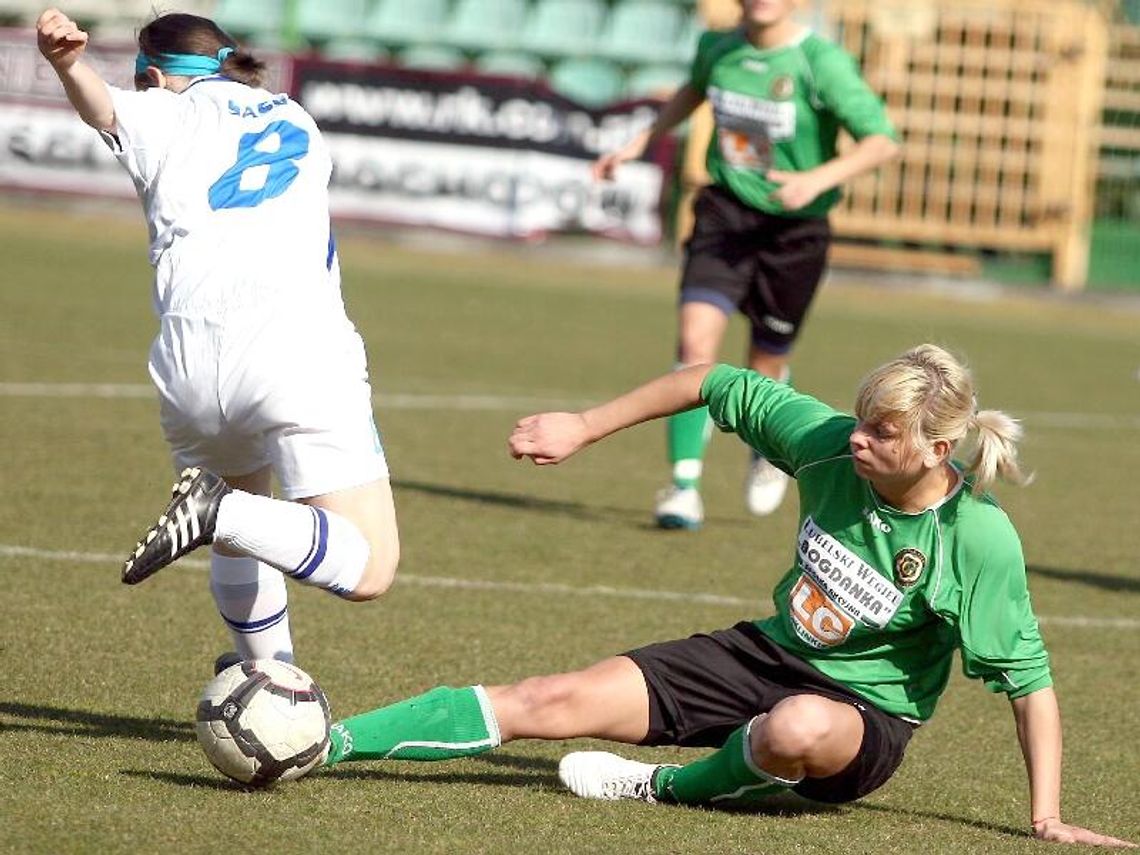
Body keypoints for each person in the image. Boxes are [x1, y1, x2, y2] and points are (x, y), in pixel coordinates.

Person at [315, 345, 1134, 848]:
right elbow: (714, 379)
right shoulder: (825, 449)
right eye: (860, 419)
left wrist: (1045, 816)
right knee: (548, 697)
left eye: (881, 432)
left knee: (796, 725)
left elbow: (1029, 683)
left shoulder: (978, 539)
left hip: (862, 720)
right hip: (765, 653)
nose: (856, 436)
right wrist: (584, 425)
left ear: (938, 446)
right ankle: (327, 741)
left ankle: (665, 784)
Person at [36, 9, 400, 670]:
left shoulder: (158, 116)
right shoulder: (295, 116)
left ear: (149, 75)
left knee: (242, 529)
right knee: (368, 563)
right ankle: (218, 509)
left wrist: (67, 65)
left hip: (187, 365)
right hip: (297, 350)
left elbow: (103, 110)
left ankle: (269, 677)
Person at [593, 0, 900, 530]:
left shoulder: (819, 62)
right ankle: (682, 486)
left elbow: (880, 141)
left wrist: (817, 180)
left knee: (766, 361)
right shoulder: (718, 46)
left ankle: (765, 448)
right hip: (725, 216)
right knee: (694, 347)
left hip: (794, 231)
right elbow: (694, 88)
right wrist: (641, 141)